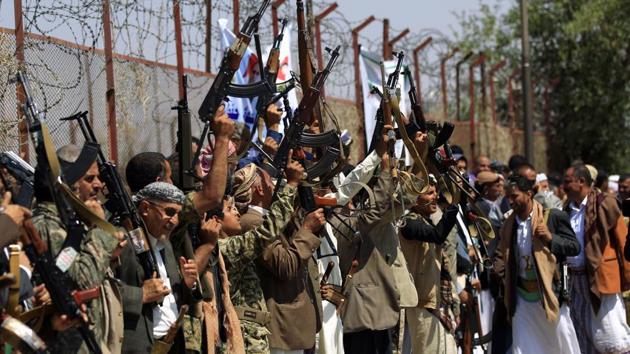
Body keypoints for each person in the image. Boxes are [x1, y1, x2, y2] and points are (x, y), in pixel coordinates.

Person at [31, 144, 125, 353]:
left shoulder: (69, 221)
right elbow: (83, 280)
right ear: (67, 183)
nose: (99, 185)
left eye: (98, 178)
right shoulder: (48, 225)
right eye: (89, 179)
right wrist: (101, 231)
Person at [493, 175, 581, 354]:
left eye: (515, 196)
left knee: (561, 345)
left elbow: (574, 247)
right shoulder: (508, 225)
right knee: (524, 348)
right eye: (508, 197)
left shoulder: (552, 217)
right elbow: (501, 255)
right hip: (522, 300)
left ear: (528, 194)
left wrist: (550, 238)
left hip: (550, 295)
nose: (510, 201)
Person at [117, 182, 200, 353]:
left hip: (170, 344)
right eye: (169, 212)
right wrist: (141, 294)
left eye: (178, 214)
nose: (175, 221)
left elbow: (172, 299)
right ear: (146, 208)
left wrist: (187, 284)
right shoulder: (122, 242)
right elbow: (100, 292)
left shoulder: (165, 244)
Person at [563, 163, 630, 354]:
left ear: (581, 182)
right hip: (576, 281)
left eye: (568, 181)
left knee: (612, 334)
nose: (563, 186)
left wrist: (627, 276)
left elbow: (623, 241)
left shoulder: (605, 203)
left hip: (602, 280)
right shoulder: (566, 209)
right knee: (582, 331)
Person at [399, 178, 459, 354]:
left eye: (435, 192)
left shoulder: (425, 221)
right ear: (415, 198)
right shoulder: (408, 223)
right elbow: (437, 235)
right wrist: (454, 204)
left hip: (435, 303)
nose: (435, 197)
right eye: (429, 193)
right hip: (421, 302)